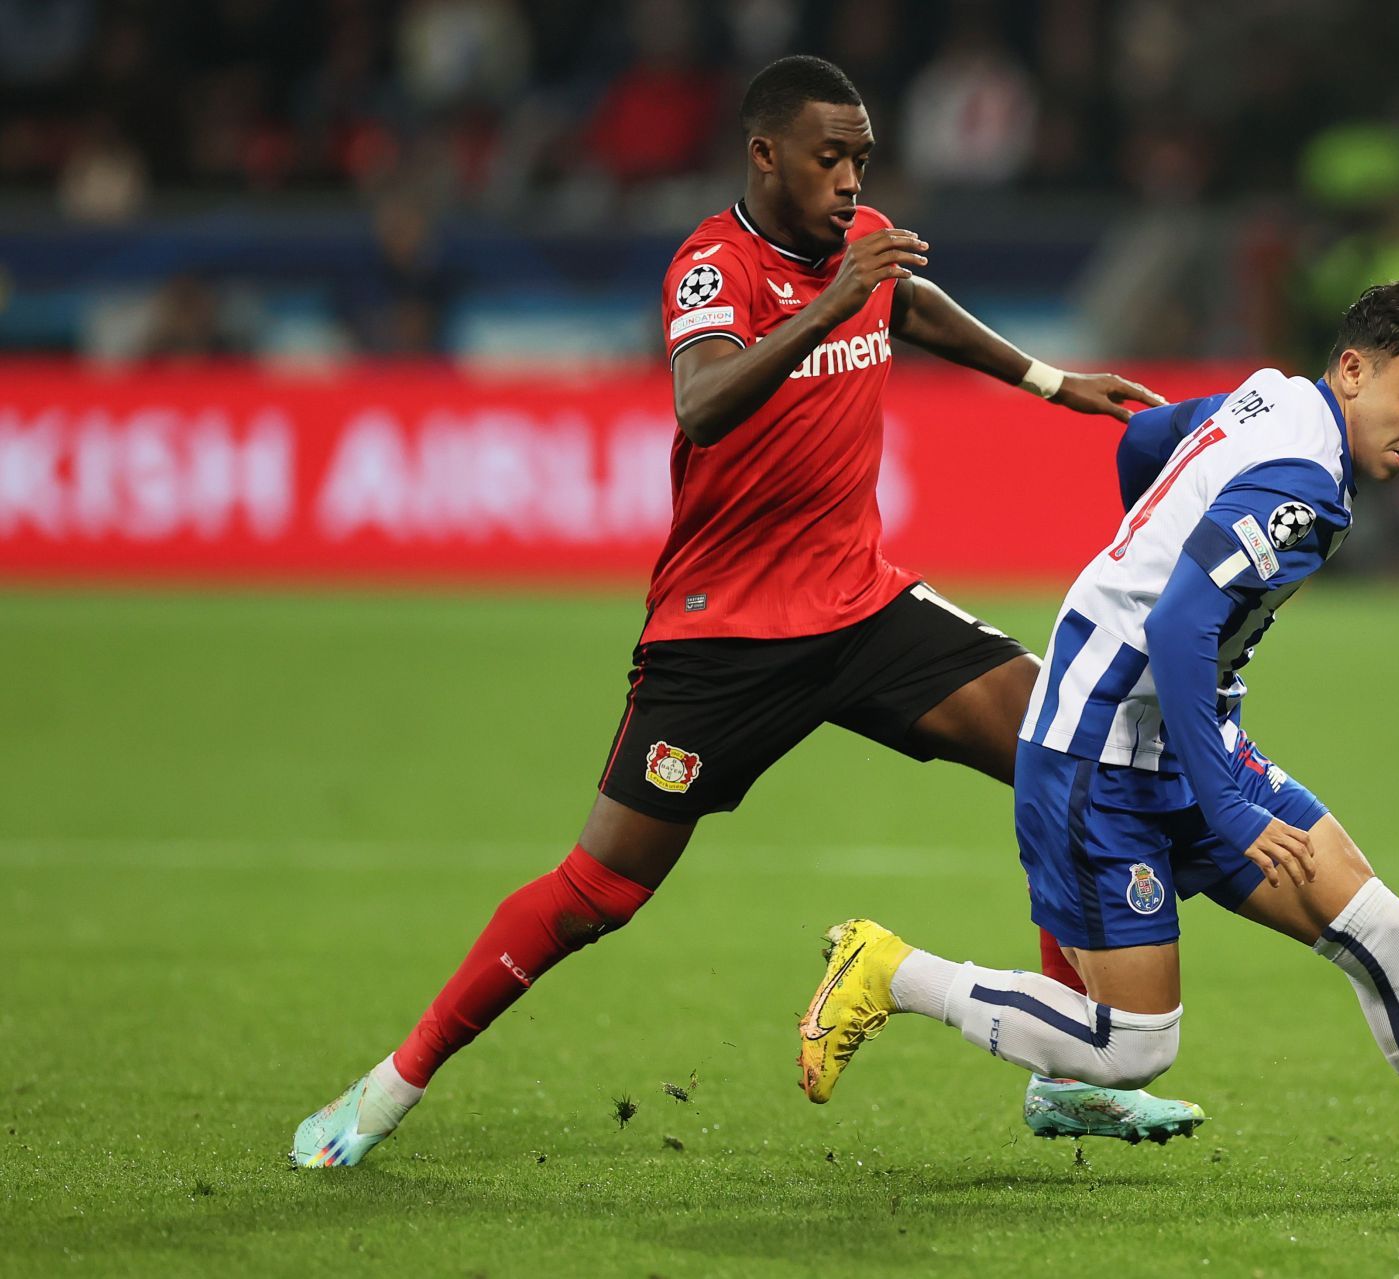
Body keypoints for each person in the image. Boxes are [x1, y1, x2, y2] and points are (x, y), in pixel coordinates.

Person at [291, 54, 1198, 1169]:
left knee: (1067, 750)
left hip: (862, 606)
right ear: (764, 153)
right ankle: (390, 1084)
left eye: (863, 157)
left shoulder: (856, 250)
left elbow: (905, 300)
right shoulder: (713, 266)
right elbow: (705, 402)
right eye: (831, 157)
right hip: (722, 638)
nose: (852, 179)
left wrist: (1053, 383)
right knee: (598, 891)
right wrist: (831, 295)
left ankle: (1071, 1080)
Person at [798, 280, 1399, 1204]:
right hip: (1096, 751)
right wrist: (1232, 803)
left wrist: (1145, 541)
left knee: (1382, 930)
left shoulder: (1276, 393)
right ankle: (890, 969)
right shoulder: (1305, 485)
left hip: (1183, 736)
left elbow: (1147, 443)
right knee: (1132, 1047)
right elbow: (1175, 629)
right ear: (1354, 371)